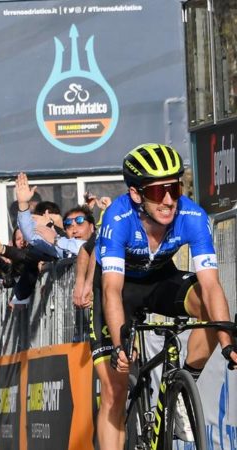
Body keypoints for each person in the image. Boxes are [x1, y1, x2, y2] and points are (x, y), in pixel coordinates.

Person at [87, 143, 237, 450]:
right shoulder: (118, 218)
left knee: (208, 306)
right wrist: (120, 345)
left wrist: (227, 342)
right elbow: (112, 290)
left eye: (174, 188)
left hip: (159, 280)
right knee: (114, 391)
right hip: (119, 291)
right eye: (158, 192)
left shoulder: (192, 215)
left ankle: (183, 389)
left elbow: (211, 285)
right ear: (136, 194)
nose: (169, 200)